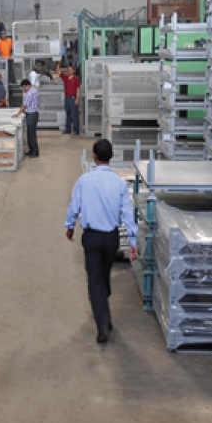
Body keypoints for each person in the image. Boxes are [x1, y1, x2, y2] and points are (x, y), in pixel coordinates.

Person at [64, 139, 140, 344]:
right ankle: (103, 315)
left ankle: (103, 325)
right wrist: (133, 241)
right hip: (111, 238)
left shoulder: (84, 180)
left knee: (96, 280)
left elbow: (74, 206)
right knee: (103, 275)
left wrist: (70, 226)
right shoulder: (119, 183)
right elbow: (127, 213)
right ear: (111, 156)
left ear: (94, 157)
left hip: (92, 237)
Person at [55, 60, 82, 135]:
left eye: (70, 70)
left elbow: (78, 89)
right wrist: (59, 63)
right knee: (68, 114)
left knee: (74, 115)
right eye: (68, 70)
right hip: (67, 98)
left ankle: (76, 130)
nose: (69, 71)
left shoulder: (75, 79)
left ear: (73, 71)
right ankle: (68, 129)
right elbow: (58, 71)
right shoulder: (65, 78)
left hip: (73, 98)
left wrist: (77, 99)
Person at [16, 79, 40, 158]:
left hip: (31, 114)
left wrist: (18, 113)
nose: (24, 89)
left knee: (31, 133)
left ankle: (34, 151)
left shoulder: (30, 93)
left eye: (24, 87)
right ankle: (32, 149)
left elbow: (25, 105)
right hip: (33, 113)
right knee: (31, 132)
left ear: (28, 86)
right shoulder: (34, 90)